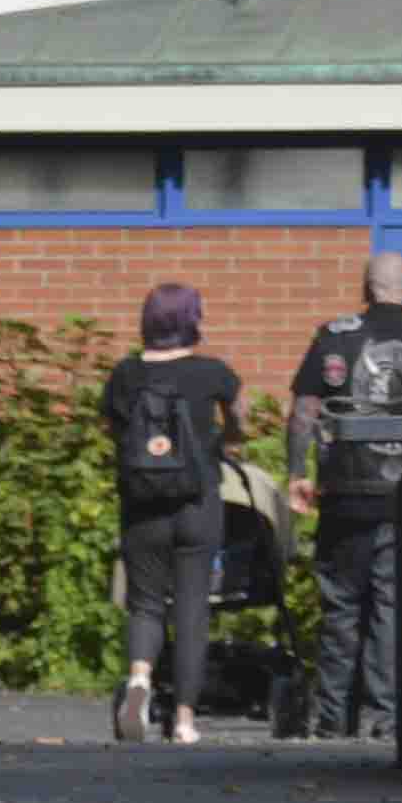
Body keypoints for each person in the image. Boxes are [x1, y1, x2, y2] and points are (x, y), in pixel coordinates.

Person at [283, 246, 402, 739]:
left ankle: (333, 717)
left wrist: (298, 473)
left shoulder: (335, 337)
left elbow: (304, 412)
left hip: (346, 492)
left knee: (340, 606)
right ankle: (384, 717)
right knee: (391, 606)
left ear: (365, 290)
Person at [99, 283, 247, 744]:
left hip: (143, 505)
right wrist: (227, 439)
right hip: (197, 503)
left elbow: (113, 431)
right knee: (191, 609)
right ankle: (183, 720)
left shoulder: (124, 375)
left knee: (144, 602)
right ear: (192, 322)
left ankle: (140, 679)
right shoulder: (213, 372)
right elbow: (240, 418)